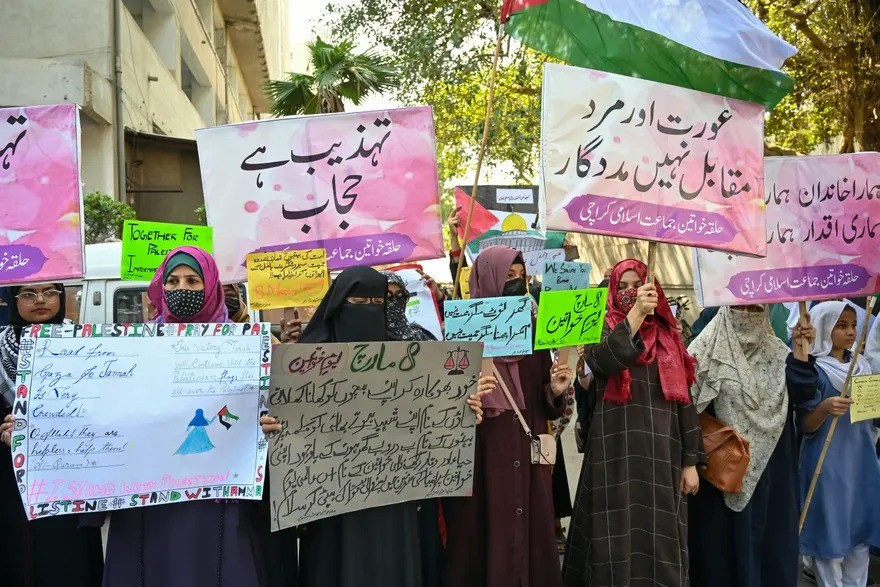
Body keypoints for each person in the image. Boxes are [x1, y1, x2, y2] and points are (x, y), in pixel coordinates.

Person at [262, 266, 490, 587]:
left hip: (394, 496)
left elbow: (432, 415)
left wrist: (463, 412)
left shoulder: (409, 358)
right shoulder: (305, 362)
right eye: (357, 302)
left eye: (376, 301)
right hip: (331, 505)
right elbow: (290, 429)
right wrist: (273, 427)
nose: (368, 310)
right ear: (338, 304)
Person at [96, 247, 270, 586]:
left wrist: (262, 421)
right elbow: (109, 406)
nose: (182, 289)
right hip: (148, 495)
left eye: (193, 280)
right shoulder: (134, 346)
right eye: (173, 281)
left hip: (216, 493)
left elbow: (244, 408)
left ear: (211, 288)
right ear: (160, 286)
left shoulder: (241, 345)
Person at [562, 258, 701, 587]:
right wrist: (636, 315)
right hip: (614, 453)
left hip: (661, 455)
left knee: (660, 540)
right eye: (622, 287)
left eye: (636, 285)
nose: (630, 293)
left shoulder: (669, 336)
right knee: (613, 537)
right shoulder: (601, 328)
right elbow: (605, 361)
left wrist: (690, 461)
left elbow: (684, 400)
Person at [442, 245, 573, 587]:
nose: (516, 284)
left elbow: (545, 401)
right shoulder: (460, 335)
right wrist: (467, 398)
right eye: (507, 277)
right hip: (482, 456)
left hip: (526, 453)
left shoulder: (534, 333)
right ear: (488, 279)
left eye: (521, 277)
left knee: (529, 531)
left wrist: (556, 391)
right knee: (483, 532)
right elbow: (442, 402)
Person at [686, 305, 818, 587]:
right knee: (720, 557)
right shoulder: (704, 351)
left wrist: (801, 351)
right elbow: (685, 410)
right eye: (739, 306)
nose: (747, 312)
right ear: (725, 307)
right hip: (720, 476)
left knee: (769, 552)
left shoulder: (778, 351)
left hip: (771, 476)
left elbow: (803, 394)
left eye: (755, 307)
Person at [0, 284, 104, 586]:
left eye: (50, 292)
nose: (41, 300)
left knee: (70, 558)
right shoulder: (1, 347)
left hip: (71, 478)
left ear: (62, 296)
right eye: (29, 294)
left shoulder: (87, 344)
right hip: (13, 481)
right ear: (13, 300)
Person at [798, 301, 880, 587]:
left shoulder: (864, 366)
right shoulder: (814, 371)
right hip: (827, 465)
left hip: (861, 463)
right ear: (823, 328)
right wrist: (825, 407)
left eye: (854, 325)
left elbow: (872, 416)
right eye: (842, 325)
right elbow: (805, 426)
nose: (850, 332)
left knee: (860, 535)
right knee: (830, 536)